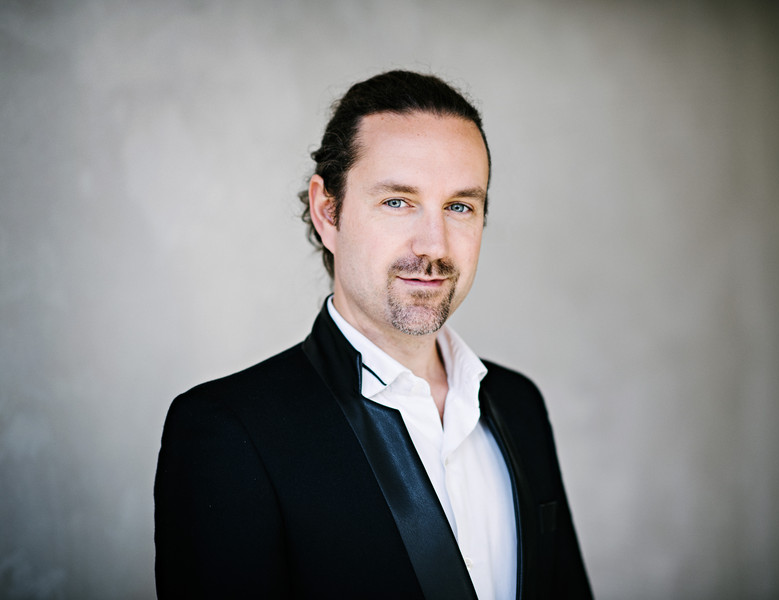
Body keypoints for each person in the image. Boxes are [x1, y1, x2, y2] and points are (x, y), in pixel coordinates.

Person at [154, 70, 592, 599]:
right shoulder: (228, 432)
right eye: (397, 202)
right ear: (327, 212)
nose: (434, 246)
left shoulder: (519, 406)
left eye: (459, 206)